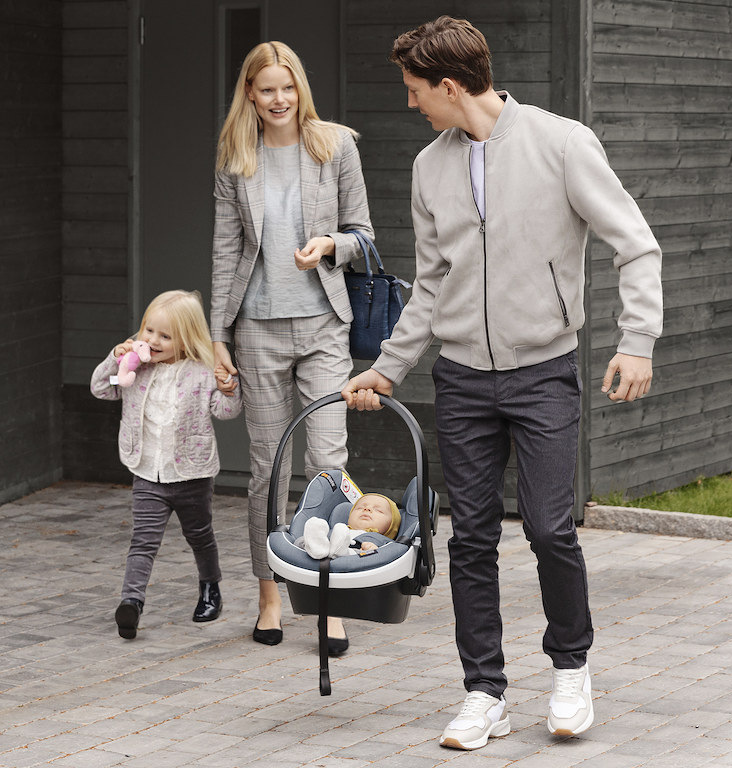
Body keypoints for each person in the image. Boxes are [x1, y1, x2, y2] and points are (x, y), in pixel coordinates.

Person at [342, 16, 663, 749]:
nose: (411, 103)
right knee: (471, 539)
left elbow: (636, 245)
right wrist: (389, 367)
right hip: (462, 379)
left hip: (544, 372)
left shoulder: (562, 143)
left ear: (451, 86)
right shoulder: (429, 167)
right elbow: (431, 283)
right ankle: (483, 692)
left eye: (416, 90)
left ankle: (570, 670)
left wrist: (637, 341)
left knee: (550, 528)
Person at [211, 40, 374, 654]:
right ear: (250, 94)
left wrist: (330, 245)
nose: (279, 99)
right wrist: (218, 336)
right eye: (267, 89)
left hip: (324, 325)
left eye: (288, 87)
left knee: (329, 464)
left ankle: (330, 599)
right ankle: (270, 595)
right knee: (268, 468)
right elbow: (225, 250)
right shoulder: (235, 157)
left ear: (299, 87)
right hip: (256, 329)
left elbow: (364, 234)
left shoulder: (336, 146)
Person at [90, 290, 243, 640]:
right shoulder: (135, 370)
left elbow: (226, 411)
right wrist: (115, 360)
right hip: (147, 473)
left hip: (192, 474)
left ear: (186, 339)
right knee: (143, 541)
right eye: (149, 330)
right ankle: (132, 602)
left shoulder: (201, 373)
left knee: (200, 536)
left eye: (165, 336)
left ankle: (210, 588)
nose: (153, 341)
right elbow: (102, 388)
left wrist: (229, 388)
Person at [297, 493, 401, 559]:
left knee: (367, 555)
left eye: (378, 510)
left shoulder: (384, 542)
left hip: (354, 556)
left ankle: (340, 552)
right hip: (326, 544)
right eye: (360, 508)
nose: (367, 509)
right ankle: (316, 547)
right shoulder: (337, 529)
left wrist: (374, 549)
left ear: (391, 526)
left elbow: (386, 557)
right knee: (304, 539)